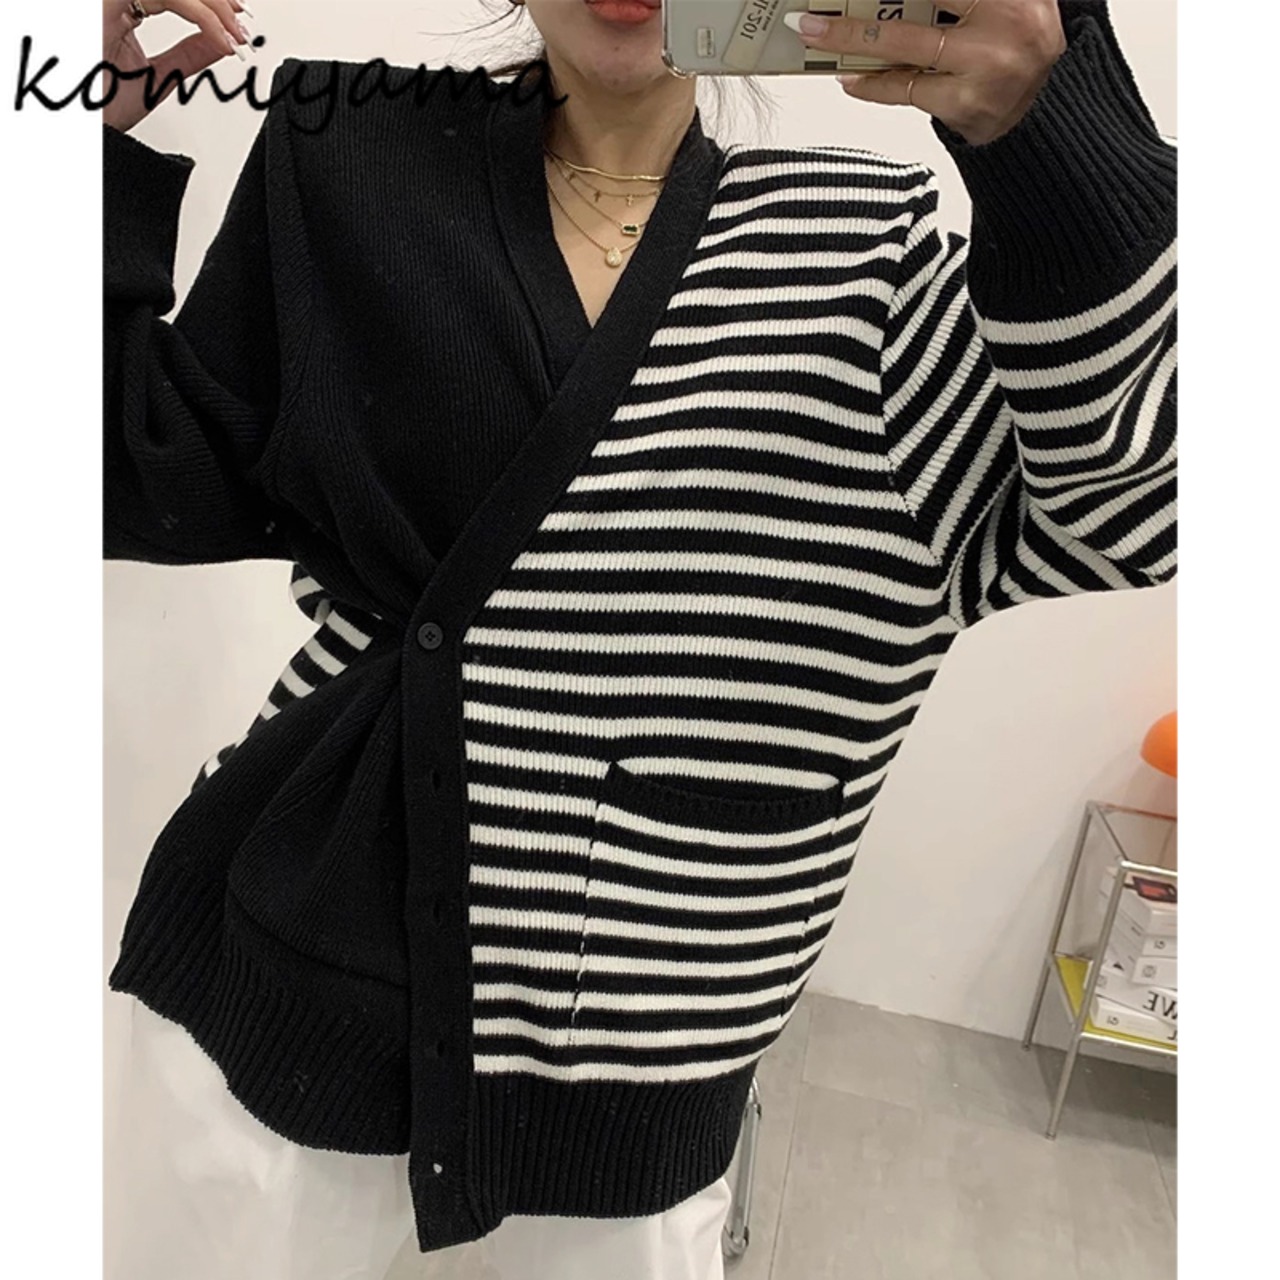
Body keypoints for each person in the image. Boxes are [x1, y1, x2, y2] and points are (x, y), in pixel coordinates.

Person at [101, 1, 1176, 1277]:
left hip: (635, 1082)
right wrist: (80, 142)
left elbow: (1142, 509)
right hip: (268, 1004)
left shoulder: (866, 258)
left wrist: (1045, 119)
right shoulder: (349, 153)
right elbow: (143, 476)